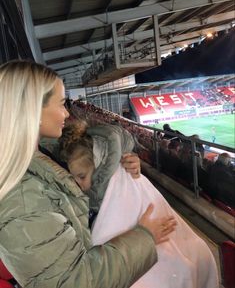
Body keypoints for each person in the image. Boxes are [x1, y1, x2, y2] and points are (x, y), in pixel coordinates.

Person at [0, 60, 177, 288]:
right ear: (33, 109)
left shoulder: (39, 158)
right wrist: (145, 237)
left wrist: (121, 169)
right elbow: (76, 281)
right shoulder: (23, 197)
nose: (66, 112)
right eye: (62, 104)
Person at [59, 121, 219, 288]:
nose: (79, 185)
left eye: (82, 176)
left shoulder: (124, 178)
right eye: (74, 178)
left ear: (100, 166)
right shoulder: (83, 197)